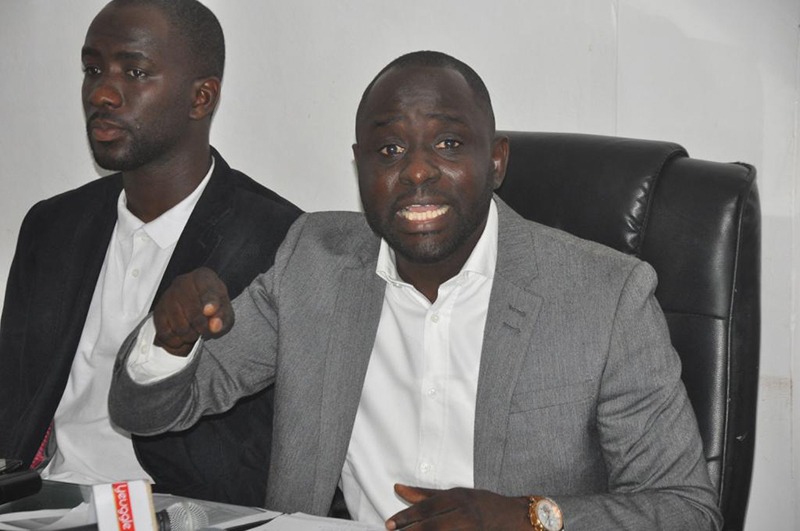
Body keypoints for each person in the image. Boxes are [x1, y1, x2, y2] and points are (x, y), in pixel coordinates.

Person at [109, 51, 722, 529]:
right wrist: (168, 338)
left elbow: (687, 510)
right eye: (390, 149)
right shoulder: (313, 264)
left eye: (449, 145)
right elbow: (152, 411)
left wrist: (532, 518)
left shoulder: (605, 296)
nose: (419, 170)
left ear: (497, 161)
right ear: (360, 166)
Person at [0, 0, 301, 506]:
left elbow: (270, 444)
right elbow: (13, 399)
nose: (101, 92)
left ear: (201, 97)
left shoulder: (279, 240)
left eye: (134, 71)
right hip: (40, 501)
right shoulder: (52, 226)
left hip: (183, 510)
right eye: (92, 69)